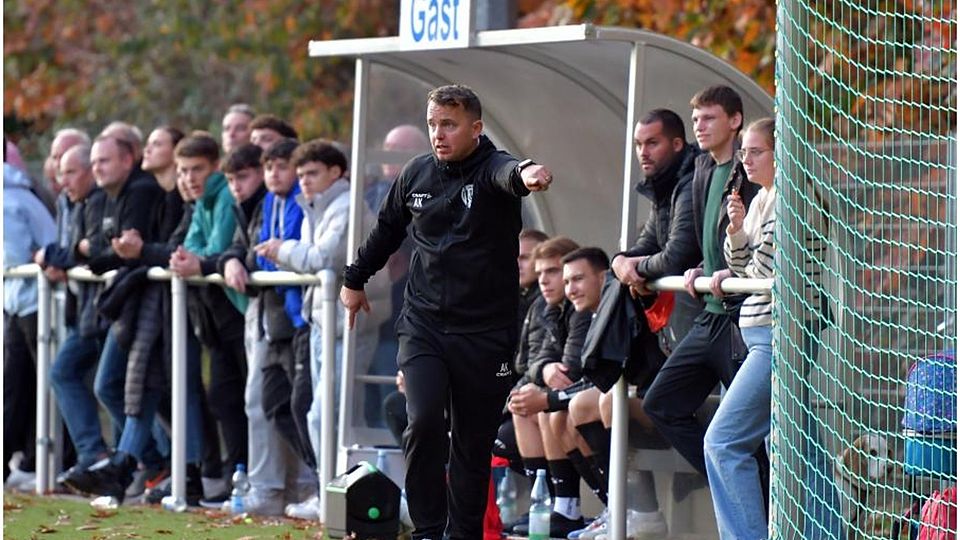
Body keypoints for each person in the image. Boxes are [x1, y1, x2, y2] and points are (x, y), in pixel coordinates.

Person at [340, 84, 554, 539]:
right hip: (425, 325)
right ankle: (427, 530)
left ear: (475, 128)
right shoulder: (416, 174)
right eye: (433, 124)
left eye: (449, 125)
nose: (438, 134)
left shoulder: (492, 168)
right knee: (422, 419)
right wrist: (354, 280)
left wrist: (528, 173)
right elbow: (387, 230)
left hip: (486, 334)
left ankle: (463, 534)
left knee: (472, 445)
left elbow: (510, 173)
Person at [641, 85, 760, 479]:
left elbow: (758, 239)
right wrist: (699, 266)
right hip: (710, 315)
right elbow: (700, 240)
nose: (699, 126)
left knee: (761, 431)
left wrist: (733, 272)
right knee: (660, 403)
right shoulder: (701, 170)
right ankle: (732, 485)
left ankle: (758, 495)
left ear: (735, 120)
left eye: (709, 118)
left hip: (741, 318)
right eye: (695, 119)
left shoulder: (750, 170)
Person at [702, 117, 776, 539]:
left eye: (756, 152)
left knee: (723, 442)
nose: (746, 160)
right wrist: (736, 229)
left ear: (780, 154)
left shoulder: (791, 199)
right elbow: (741, 264)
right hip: (757, 336)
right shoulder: (763, 197)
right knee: (795, 448)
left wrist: (733, 272)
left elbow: (757, 272)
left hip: (776, 339)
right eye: (744, 152)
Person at [167, 134, 249, 491]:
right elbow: (189, 246)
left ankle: (246, 475)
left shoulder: (225, 195)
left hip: (237, 312)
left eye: (197, 169)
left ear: (215, 166)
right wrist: (196, 258)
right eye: (183, 171)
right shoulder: (202, 201)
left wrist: (197, 260)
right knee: (223, 397)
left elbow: (214, 248)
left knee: (247, 399)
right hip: (216, 320)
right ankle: (236, 475)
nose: (189, 178)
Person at [38, 144, 112, 490]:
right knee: (105, 385)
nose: (63, 179)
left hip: (103, 310)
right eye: (60, 171)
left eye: (70, 172)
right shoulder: (73, 202)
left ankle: (106, 457)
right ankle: (103, 458)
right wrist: (66, 254)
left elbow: (93, 249)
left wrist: (62, 255)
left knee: (100, 383)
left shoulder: (98, 200)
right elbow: (72, 249)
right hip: (84, 310)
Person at [2, 160, 57, 487]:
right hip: (22, 300)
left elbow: (14, 257)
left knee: (41, 385)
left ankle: (56, 462)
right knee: (18, 385)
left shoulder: (8, 199)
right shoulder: (18, 191)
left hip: (33, 300)